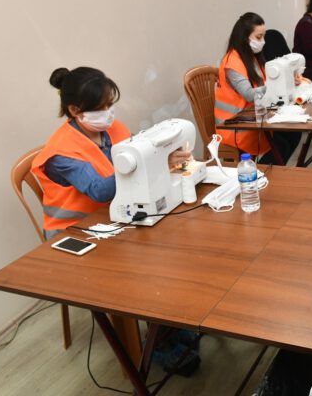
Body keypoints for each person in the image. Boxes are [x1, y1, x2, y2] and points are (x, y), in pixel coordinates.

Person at [31, 67, 200, 375]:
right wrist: (158, 161)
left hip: (111, 217)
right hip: (76, 236)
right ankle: (158, 346)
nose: (110, 113)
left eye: (111, 104)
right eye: (103, 107)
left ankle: (170, 326)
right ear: (75, 110)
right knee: (150, 265)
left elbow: (137, 159)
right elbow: (98, 189)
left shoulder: (113, 129)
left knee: (178, 243)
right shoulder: (61, 154)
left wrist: (161, 157)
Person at [214, 12, 304, 164]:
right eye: (258, 37)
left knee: (293, 135)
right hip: (235, 126)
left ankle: (272, 173)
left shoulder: (252, 58)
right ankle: (257, 173)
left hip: (254, 117)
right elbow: (250, 94)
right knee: (281, 145)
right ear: (244, 37)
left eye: (263, 37)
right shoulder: (232, 63)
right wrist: (278, 84)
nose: (263, 42)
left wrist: (288, 81)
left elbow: (264, 84)